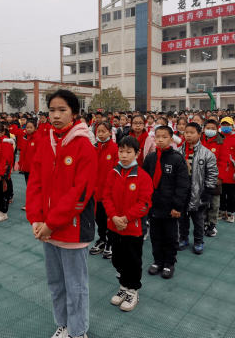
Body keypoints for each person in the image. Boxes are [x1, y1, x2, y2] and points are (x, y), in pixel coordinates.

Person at [26, 89, 97, 338]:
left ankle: (78, 332)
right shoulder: (46, 143)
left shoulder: (84, 145)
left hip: (73, 228)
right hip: (47, 228)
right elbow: (34, 182)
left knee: (75, 286)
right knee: (56, 283)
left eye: (62, 110)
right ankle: (64, 325)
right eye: (52, 110)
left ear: (74, 113)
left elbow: (80, 193)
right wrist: (36, 218)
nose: (55, 116)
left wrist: (51, 223)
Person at [102, 136, 152, 312]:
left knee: (133, 260)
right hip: (114, 226)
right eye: (121, 151)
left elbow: (144, 203)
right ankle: (123, 287)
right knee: (117, 259)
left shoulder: (143, 176)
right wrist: (114, 217)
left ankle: (133, 290)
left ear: (137, 154)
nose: (124, 155)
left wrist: (126, 218)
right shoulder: (112, 173)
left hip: (133, 228)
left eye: (128, 152)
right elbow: (106, 197)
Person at [143, 125, 189, 279]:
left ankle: (170, 262)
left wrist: (177, 206)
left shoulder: (177, 159)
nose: (160, 140)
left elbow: (182, 185)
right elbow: (144, 182)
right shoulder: (150, 158)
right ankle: (158, 260)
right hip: (154, 206)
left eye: (164, 137)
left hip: (170, 208)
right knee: (155, 236)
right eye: (157, 137)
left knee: (170, 236)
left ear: (171, 138)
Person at [178, 123, 218, 254]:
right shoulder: (178, 152)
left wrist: (208, 190)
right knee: (182, 217)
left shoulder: (207, 154)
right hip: (182, 192)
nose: (188, 135)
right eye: (186, 132)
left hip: (199, 192)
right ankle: (183, 238)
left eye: (192, 132)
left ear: (200, 134)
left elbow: (212, 174)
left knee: (198, 219)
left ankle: (199, 241)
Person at [90, 121, 118, 259]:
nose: (100, 134)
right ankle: (102, 239)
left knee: (110, 218)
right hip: (96, 192)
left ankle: (111, 242)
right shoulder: (93, 148)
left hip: (109, 192)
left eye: (103, 131)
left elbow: (117, 171)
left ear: (110, 132)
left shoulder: (115, 149)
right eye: (98, 131)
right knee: (99, 218)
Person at [217, 117, 235, 223]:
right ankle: (222, 210)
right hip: (220, 171)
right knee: (221, 193)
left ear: (232, 126)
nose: (225, 127)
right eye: (223, 125)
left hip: (231, 171)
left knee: (231, 194)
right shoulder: (218, 138)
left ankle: (230, 212)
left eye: (228, 125)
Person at [200, 119, 223, 237]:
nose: (210, 130)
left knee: (214, 203)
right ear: (203, 129)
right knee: (202, 202)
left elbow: (224, 161)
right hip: (200, 178)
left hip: (215, 178)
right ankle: (203, 222)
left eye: (213, 128)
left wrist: (219, 177)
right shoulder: (199, 140)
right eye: (208, 128)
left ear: (217, 129)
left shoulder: (221, 142)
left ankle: (212, 224)